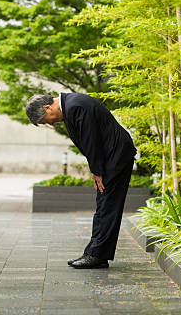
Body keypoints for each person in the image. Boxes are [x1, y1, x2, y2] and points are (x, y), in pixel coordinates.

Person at [25, 93, 136, 269]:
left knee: (107, 205)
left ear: (47, 108)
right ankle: (95, 253)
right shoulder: (71, 105)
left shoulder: (75, 107)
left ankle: (96, 255)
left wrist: (97, 171)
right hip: (113, 156)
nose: (51, 124)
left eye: (46, 121)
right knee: (105, 204)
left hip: (115, 156)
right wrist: (96, 169)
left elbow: (92, 141)